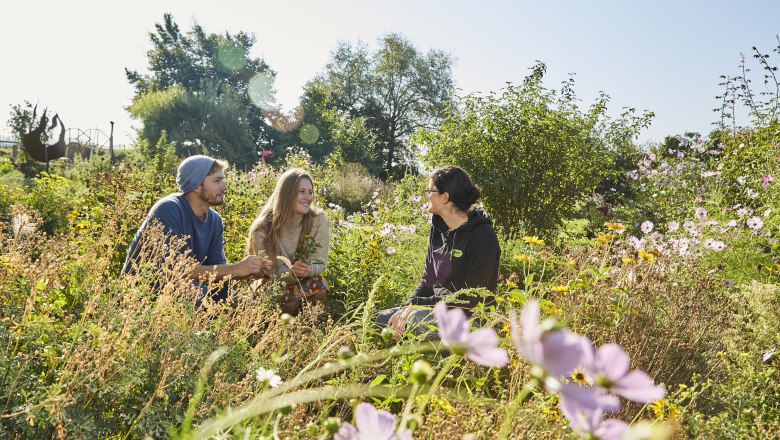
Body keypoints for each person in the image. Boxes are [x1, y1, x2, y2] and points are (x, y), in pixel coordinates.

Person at [122, 155, 268, 302]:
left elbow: (218, 276)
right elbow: (174, 271)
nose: (224, 187)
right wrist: (236, 268)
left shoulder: (215, 221)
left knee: (247, 306)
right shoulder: (169, 209)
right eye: (217, 181)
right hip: (144, 295)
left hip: (185, 291)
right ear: (197, 185)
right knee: (205, 299)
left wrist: (248, 271)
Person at [376, 166, 500, 335]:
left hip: (469, 319)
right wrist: (406, 307)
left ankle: (462, 357)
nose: (427, 195)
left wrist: (418, 306)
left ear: (445, 197)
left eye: (430, 190)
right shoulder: (438, 228)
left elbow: (470, 299)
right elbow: (428, 279)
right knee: (384, 320)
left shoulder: (483, 237)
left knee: (416, 319)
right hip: (433, 310)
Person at [247, 168, 330, 311]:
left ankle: (309, 327)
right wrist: (292, 274)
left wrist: (306, 270)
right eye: (302, 191)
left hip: (305, 281)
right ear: (287, 194)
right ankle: (279, 330)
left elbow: (320, 262)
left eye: (310, 192)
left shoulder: (318, 220)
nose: (308, 197)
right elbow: (272, 271)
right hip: (273, 285)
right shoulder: (263, 228)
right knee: (287, 297)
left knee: (320, 285)